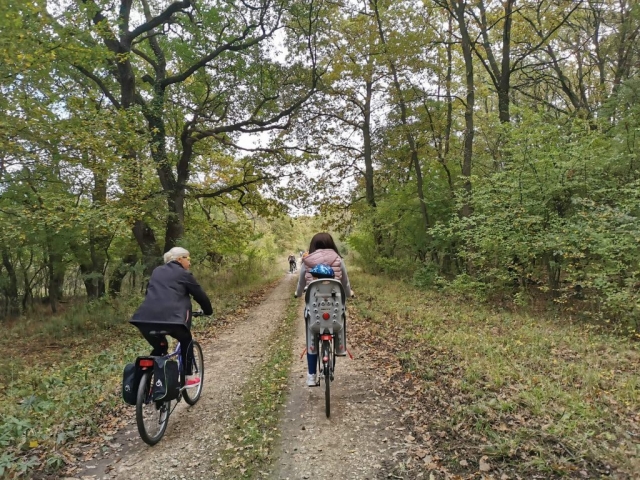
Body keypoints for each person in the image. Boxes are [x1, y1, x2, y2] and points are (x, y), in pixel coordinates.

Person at [130, 247, 213, 387]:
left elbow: (149, 292)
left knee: (160, 347)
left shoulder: (156, 271)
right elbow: (200, 295)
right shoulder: (184, 274)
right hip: (172, 321)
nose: (189, 262)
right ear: (179, 259)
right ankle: (188, 377)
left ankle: (142, 384)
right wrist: (208, 311)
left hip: (144, 320)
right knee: (186, 339)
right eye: (188, 258)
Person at [295, 232, 353, 386]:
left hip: (315, 312)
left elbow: (301, 284)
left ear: (313, 246)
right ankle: (340, 348)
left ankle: (311, 376)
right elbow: (345, 283)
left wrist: (298, 293)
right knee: (341, 314)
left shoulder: (307, 263)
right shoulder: (338, 260)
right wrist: (349, 293)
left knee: (311, 333)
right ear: (331, 244)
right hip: (334, 309)